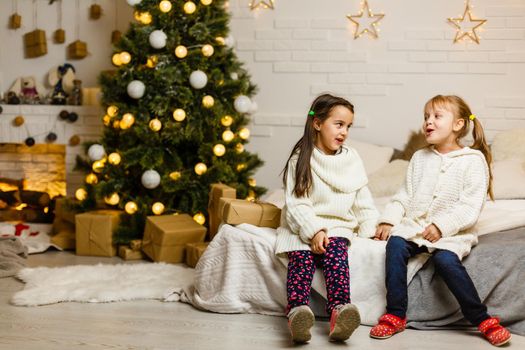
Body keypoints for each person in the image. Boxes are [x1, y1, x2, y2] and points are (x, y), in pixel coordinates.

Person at [370, 95, 511, 347]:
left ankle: (481, 318)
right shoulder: (419, 157)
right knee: (395, 245)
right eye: (426, 117)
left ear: (458, 125)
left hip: (452, 232)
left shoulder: (473, 161)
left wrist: (441, 226)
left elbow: (470, 206)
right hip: (416, 226)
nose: (428, 122)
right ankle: (395, 314)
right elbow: (404, 195)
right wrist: (388, 220)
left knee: (445, 259)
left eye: (436, 117)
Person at [275, 93, 379, 343]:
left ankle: (340, 311)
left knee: (336, 255)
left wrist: (370, 228)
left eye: (348, 126)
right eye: (339, 124)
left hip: (337, 226)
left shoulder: (351, 159)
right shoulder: (301, 159)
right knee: (301, 257)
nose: (344, 132)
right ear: (317, 123)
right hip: (303, 224)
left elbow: (362, 199)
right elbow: (297, 204)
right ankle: (297, 312)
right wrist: (313, 231)